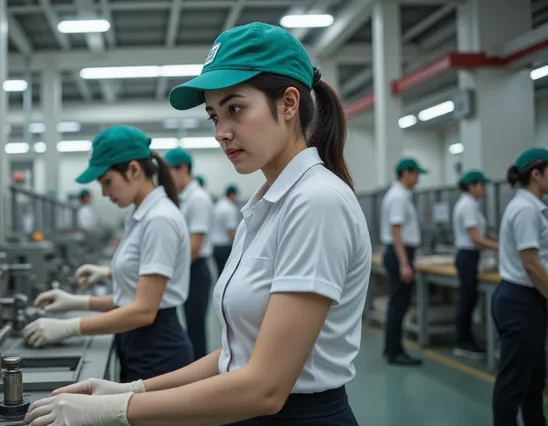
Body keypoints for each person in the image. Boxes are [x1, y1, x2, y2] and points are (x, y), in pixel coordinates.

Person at [24, 22, 371, 426]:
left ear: (289, 103)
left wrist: (118, 411)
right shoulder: (266, 207)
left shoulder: (317, 202)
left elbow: (266, 387)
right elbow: (234, 355)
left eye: (235, 109)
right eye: (213, 116)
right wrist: (133, 389)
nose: (222, 133)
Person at [23, 125, 193, 382]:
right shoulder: (141, 215)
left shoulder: (159, 219)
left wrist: (69, 327)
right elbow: (131, 299)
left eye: (107, 182)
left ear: (134, 170)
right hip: (139, 342)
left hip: (157, 351)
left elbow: (143, 311)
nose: (103, 193)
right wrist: (76, 302)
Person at [492, 148, 548, 426]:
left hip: (527, 299)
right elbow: (531, 263)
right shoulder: (527, 209)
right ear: (536, 174)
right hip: (521, 302)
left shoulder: (531, 206)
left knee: (534, 379)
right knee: (513, 383)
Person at [164, 147, 215, 361]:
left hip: (195, 270)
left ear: (183, 169)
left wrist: (169, 273)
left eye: (169, 173)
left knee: (195, 328)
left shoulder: (198, 199)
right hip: (187, 269)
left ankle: (200, 378)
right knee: (187, 325)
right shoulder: (183, 198)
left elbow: (195, 246)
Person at [380, 157, 427, 367]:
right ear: (406, 173)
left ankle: (392, 348)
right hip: (400, 252)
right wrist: (405, 263)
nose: (417, 178)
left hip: (399, 252)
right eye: (416, 173)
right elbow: (396, 231)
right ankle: (394, 352)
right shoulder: (398, 197)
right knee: (399, 305)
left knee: (397, 304)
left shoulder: (400, 195)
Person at [451, 170, 499, 360]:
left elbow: (479, 235)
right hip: (468, 256)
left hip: (469, 256)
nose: (484, 189)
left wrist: (494, 239)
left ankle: (465, 339)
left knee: (468, 301)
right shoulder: (468, 205)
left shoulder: (469, 204)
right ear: (472, 186)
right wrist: (499, 247)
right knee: (467, 302)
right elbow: (476, 239)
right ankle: (463, 342)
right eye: (482, 185)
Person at [210, 184, 240, 272]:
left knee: (219, 272)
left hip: (215, 245)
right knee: (227, 272)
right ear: (231, 194)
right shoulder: (230, 208)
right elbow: (231, 232)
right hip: (225, 246)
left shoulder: (218, 205)